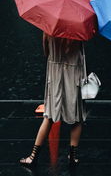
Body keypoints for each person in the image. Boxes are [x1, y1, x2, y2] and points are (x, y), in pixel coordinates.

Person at [20, 33, 87, 168]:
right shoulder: (78, 31)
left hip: (55, 74)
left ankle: (33, 157)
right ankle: (72, 157)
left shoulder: (49, 29)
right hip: (73, 75)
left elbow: (46, 52)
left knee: (49, 116)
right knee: (77, 118)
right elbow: (81, 54)